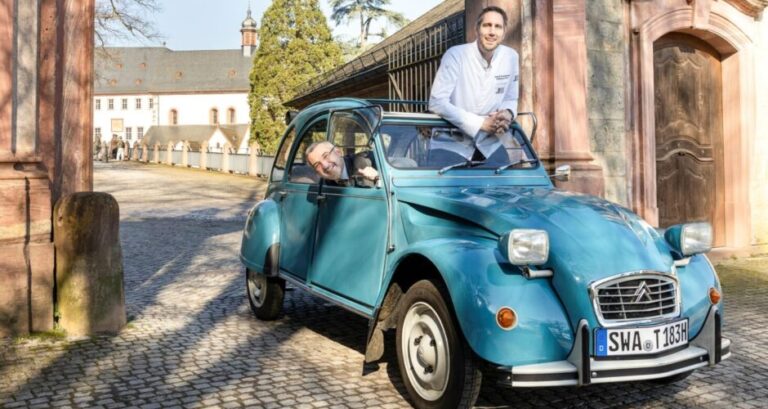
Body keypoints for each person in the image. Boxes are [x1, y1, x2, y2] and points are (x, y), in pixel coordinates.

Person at [428, 6, 519, 161]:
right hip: (450, 144)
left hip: (490, 144)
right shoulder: (455, 55)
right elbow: (437, 102)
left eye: (498, 27)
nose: (492, 32)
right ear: (477, 29)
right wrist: (480, 123)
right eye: (487, 25)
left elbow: (511, 98)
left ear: (503, 33)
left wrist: (507, 113)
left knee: (505, 180)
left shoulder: (511, 57)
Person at [305, 141, 378, 187]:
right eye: (317, 165)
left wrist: (378, 178)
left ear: (338, 152)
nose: (325, 165)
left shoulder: (371, 160)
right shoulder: (323, 186)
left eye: (326, 156)